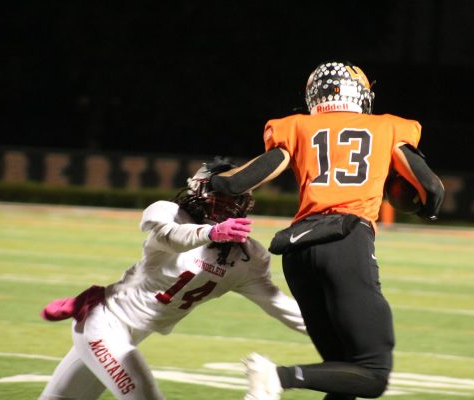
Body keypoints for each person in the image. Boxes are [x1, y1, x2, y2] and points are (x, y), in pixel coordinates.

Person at [209, 60, 445, 400]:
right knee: (372, 373)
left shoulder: (295, 127)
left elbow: (237, 184)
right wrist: (426, 210)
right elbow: (433, 189)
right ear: (362, 95)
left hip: (298, 251)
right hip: (346, 242)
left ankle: (279, 378)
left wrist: (216, 179)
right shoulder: (390, 128)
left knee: (343, 371)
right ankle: (276, 377)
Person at [38, 158, 306, 400]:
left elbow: (279, 305)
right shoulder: (167, 213)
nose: (226, 202)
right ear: (199, 190)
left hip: (131, 332)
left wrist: (338, 329)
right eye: (220, 194)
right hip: (104, 320)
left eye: (234, 196)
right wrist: (211, 233)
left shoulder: (245, 256)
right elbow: (171, 237)